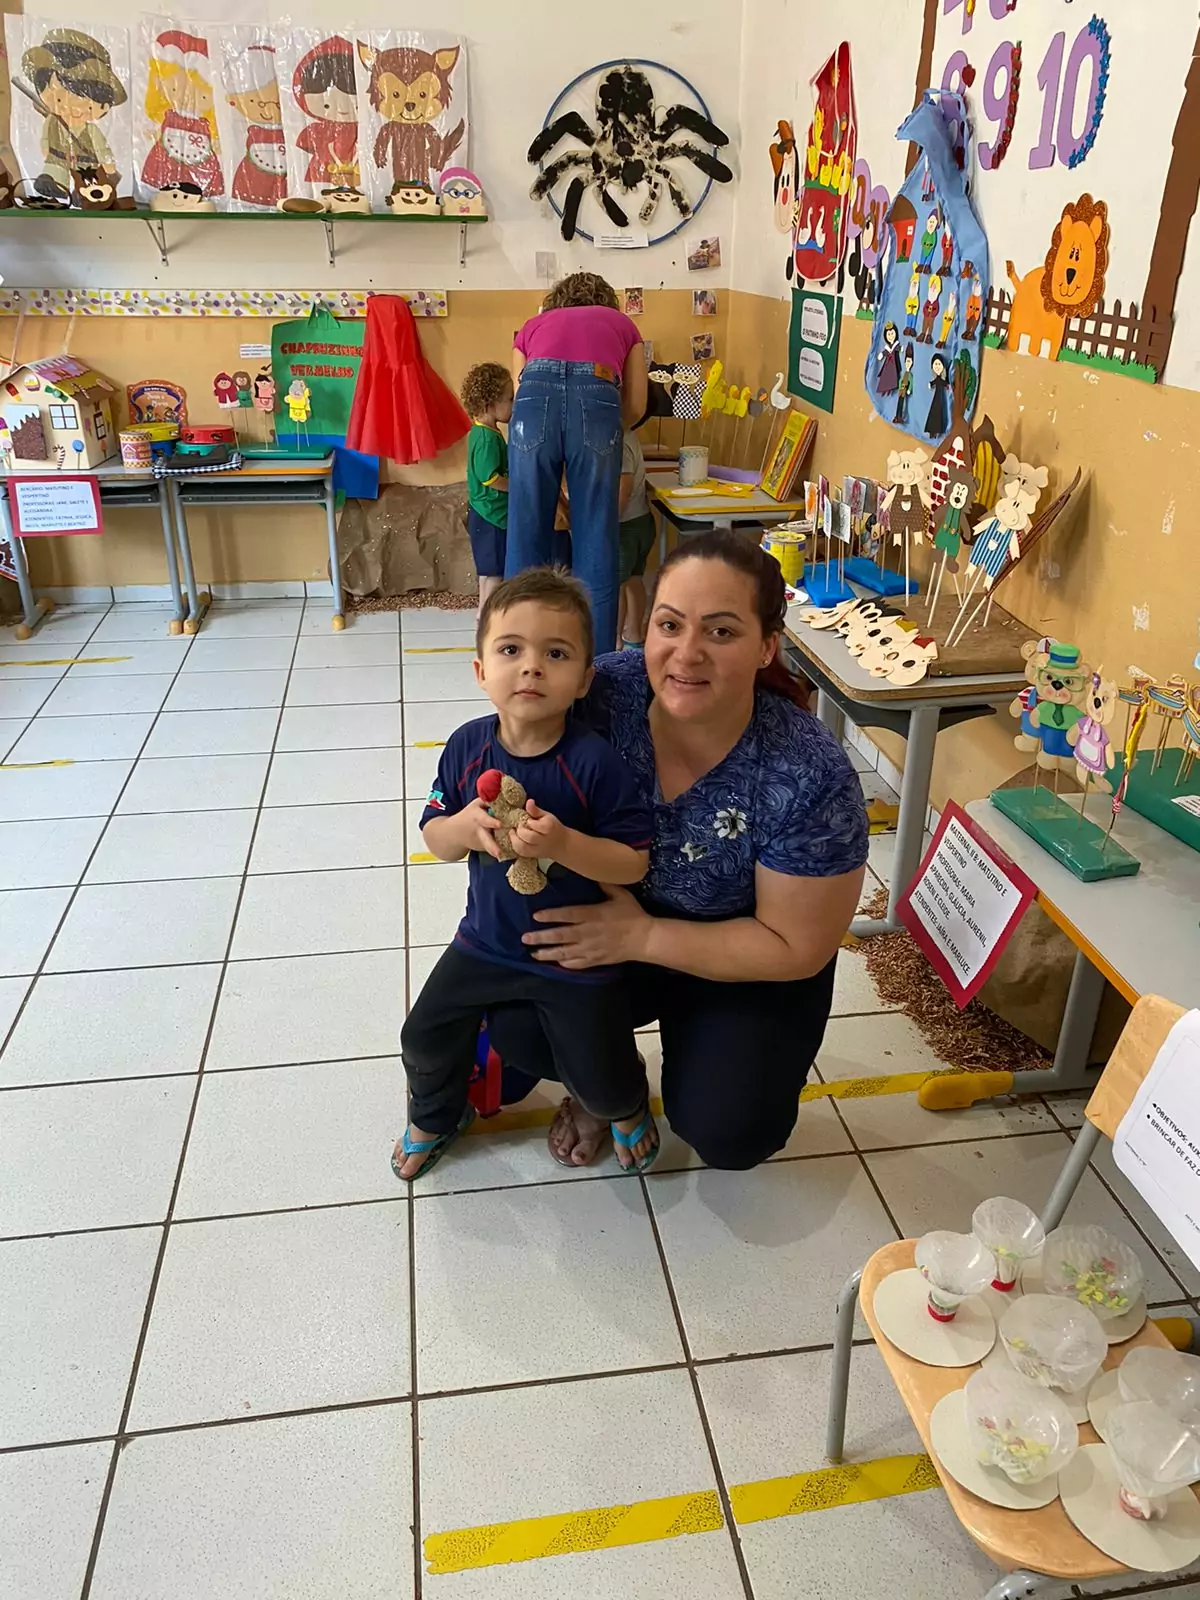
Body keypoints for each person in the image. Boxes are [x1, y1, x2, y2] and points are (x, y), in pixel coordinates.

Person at [488, 530, 869, 1171]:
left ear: (766, 646)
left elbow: (795, 946)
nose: (686, 654)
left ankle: (688, 1051)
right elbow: (494, 756)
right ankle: (608, 1086)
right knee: (512, 1015)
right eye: (670, 624)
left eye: (721, 632)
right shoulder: (597, 697)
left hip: (746, 955)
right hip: (610, 926)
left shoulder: (809, 772)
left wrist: (640, 938)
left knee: (732, 1128)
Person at [392, 568, 658, 1182]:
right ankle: (437, 1114)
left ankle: (624, 1102)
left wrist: (564, 844)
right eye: (511, 650)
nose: (531, 667)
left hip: (574, 955)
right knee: (423, 1036)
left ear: (585, 678)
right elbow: (436, 839)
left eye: (555, 653)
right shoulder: (466, 748)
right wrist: (462, 825)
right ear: (482, 669)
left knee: (600, 1075)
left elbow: (632, 859)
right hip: (485, 941)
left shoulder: (594, 763)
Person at [506, 272, 649, 657]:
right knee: (597, 541)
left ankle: (517, 657)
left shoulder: (531, 327)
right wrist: (595, 439)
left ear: (556, 300)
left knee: (523, 536)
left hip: (533, 402)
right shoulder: (623, 325)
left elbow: (522, 399)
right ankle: (595, 669)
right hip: (600, 400)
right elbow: (636, 406)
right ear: (607, 301)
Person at [461, 362, 513, 613]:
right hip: (490, 516)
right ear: (489, 405)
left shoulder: (485, 431)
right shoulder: (486, 438)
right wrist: (517, 488)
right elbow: (490, 477)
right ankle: (487, 624)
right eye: (510, 399)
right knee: (494, 576)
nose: (514, 405)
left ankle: (483, 621)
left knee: (488, 575)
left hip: (488, 515)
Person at [617, 424, 657, 648]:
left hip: (626, 526)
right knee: (634, 579)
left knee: (617, 586)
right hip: (642, 521)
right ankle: (633, 635)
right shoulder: (629, 434)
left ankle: (615, 643)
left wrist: (610, 522)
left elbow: (624, 486)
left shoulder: (620, 441)